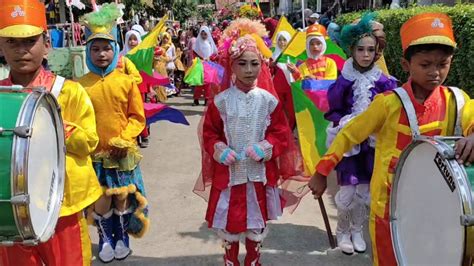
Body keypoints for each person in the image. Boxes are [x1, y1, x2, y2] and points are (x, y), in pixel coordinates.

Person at [309, 12, 474, 266]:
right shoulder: (388, 104)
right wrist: (322, 172)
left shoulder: (458, 100)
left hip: (437, 207)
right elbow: (349, 134)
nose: (435, 72)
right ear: (406, 65)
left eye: (443, 64)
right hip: (389, 208)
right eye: (425, 64)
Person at [0, 1, 102, 265]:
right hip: (10, 210)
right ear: (1, 46)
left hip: (62, 206)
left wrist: (54, 127)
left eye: (30, 41)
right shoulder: (1, 95)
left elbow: (90, 141)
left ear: (46, 44)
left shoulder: (68, 91)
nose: (21, 50)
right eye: (12, 42)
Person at [202, 35, 290, 266]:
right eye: (242, 63)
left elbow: (282, 132)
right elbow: (210, 133)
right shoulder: (220, 101)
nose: (249, 70)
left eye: (254, 63)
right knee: (230, 222)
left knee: (256, 222)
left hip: (259, 175)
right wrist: (219, 149)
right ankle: (231, 261)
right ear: (231, 65)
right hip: (230, 176)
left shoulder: (269, 101)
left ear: (262, 65)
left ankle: (253, 261)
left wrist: (266, 146)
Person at [78, 4, 149, 263]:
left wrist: (126, 137)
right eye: (95, 49)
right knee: (101, 202)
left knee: (122, 199)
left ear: (115, 50)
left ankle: (123, 239)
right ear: (87, 52)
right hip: (95, 156)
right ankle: (105, 240)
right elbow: (76, 120)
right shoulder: (80, 86)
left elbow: (137, 117)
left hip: (122, 154)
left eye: (106, 48)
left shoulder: (126, 82)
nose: (101, 54)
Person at [324, 13, 397, 255]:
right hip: (350, 140)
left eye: (370, 50)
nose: (366, 55)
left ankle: (357, 229)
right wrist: (346, 122)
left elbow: (391, 108)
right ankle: (342, 230)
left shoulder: (383, 81)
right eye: (360, 49)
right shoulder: (344, 79)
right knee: (347, 190)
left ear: (377, 51)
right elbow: (334, 107)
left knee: (365, 190)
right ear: (351, 50)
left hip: (372, 144)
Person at [192, 25, 218, 106]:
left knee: (208, 83)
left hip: (209, 65)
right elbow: (194, 54)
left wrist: (210, 58)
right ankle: (196, 99)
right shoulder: (197, 43)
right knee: (199, 83)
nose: (204, 36)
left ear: (208, 34)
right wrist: (200, 59)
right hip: (200, 65)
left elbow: (214, 53)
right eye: (202, 34)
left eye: (205, 34)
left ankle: (207, 99)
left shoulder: (210, 43)